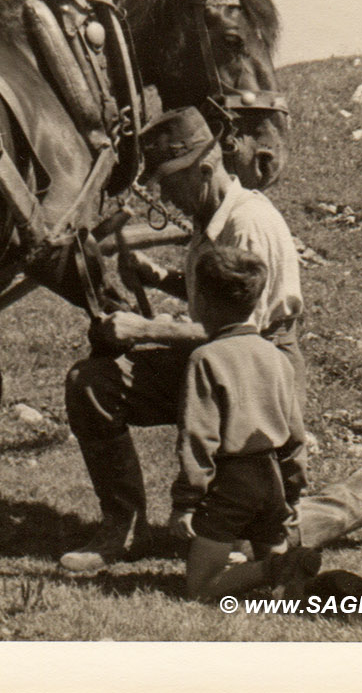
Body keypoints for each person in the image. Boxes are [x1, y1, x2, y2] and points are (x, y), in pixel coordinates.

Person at [58, 107, 305, 574]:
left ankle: (344, 508)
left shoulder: (246, 223)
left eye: (171, 184)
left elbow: (239, 332)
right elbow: (221, 295)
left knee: (267, 523)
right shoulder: (211, 215)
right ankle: (123, 526)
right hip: (214, 360)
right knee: (93, 383)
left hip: (257, 372)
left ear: (207, 170)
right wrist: (160, 278)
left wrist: (144, 329)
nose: (165, 196)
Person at [176, 245, 314, 601]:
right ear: (257, 301)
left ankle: (271, 568)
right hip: (272, 479)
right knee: (282, 588)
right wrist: (294, 493)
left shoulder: (206, 358)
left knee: (201, 589)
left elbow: (198, 437)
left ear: (202, 302)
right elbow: (295, 434)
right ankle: (283, 567)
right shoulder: (277, 357)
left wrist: (188, 502)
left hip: (232, 482)